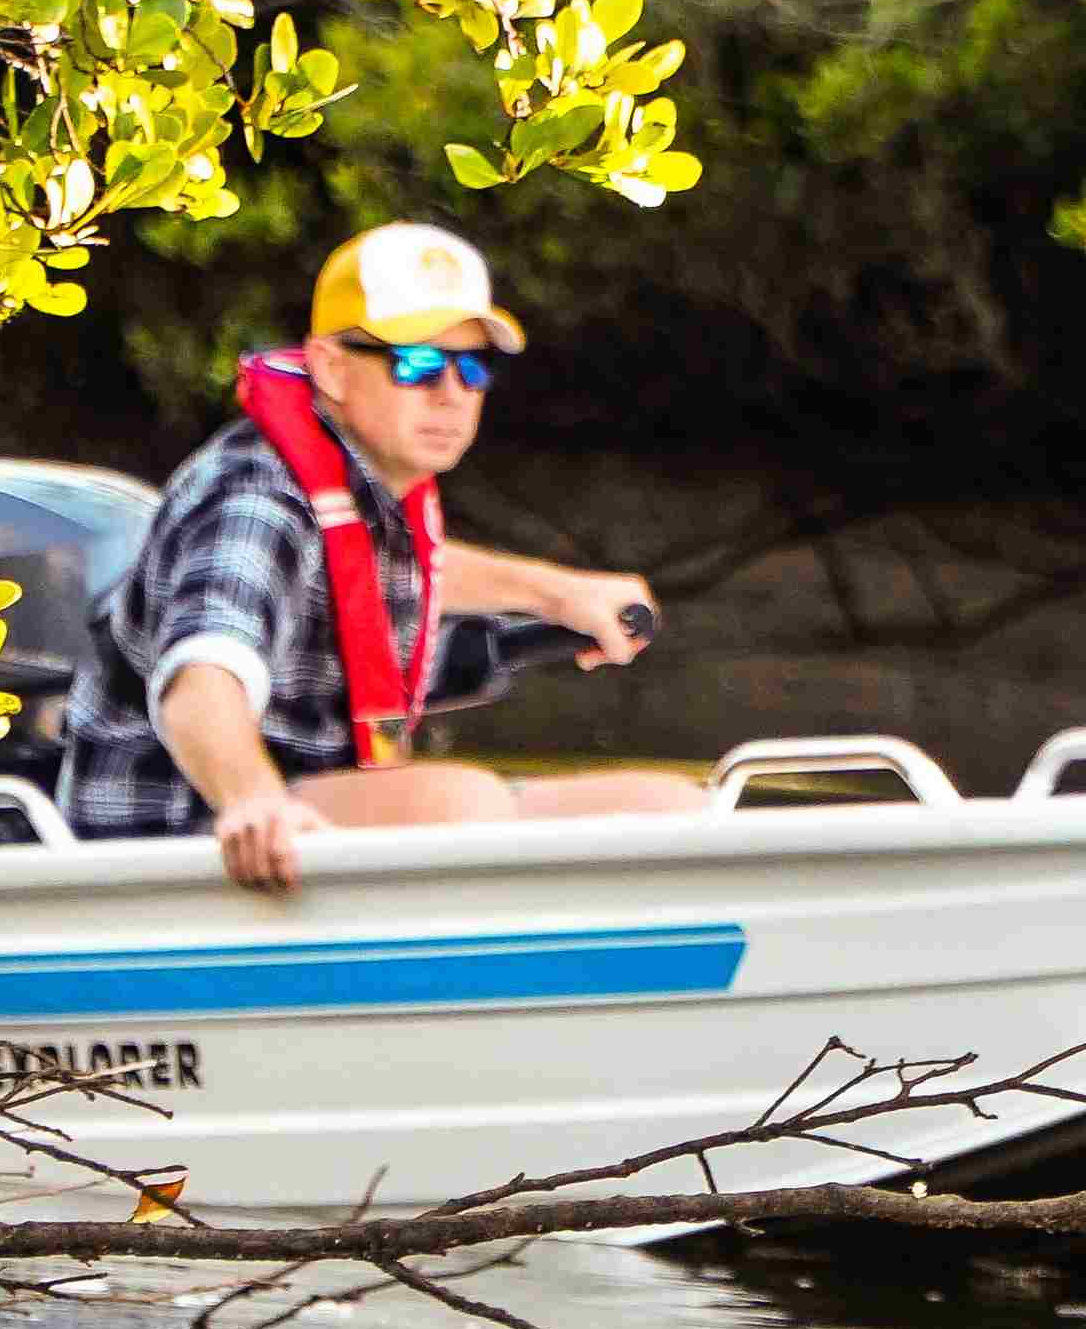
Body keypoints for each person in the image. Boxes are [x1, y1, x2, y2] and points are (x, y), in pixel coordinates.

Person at [60, 224, 702, 885]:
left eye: (473, 369)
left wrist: (557, 597)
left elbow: (393, 578)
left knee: (672, 809)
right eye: (416, 364)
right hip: (181, 831)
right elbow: (201, 682)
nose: (452, 393)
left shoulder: (372, 500)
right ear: (333, 368)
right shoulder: (253, 498)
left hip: (309, 801)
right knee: (462, 804)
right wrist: (254, 800)